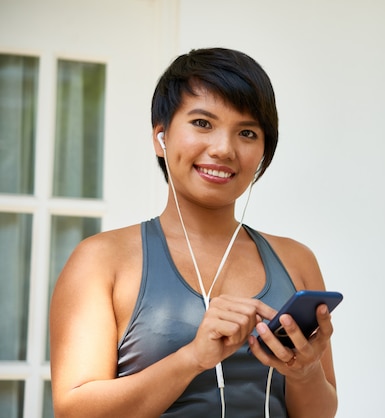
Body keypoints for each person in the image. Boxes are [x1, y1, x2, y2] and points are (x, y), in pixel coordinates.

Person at [49, 47, 338, 418]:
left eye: (247, 132)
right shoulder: (101, 261)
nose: (223, 149)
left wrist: (304, 372)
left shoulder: (296, 260)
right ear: (161, 136)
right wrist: (192, 358)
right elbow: (74, 412)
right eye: (203, 123)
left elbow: (320, 412)